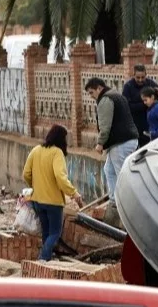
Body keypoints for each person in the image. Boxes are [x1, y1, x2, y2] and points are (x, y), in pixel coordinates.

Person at [22, 125, 83, 261]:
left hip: (37, 200)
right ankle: (43, 258)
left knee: (46, 231)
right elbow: (60, 177)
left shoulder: (36, 150)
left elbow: (26, 173)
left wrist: (34, 185)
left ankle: (46, 258)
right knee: (55, 233)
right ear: (62, 139)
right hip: (53, 202)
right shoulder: (57, 153)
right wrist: (74, 193)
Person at [85, 77, 139, 198]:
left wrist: (100, 143)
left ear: (99, 88)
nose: (90, 96)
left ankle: (127, 201)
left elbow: (105, 125)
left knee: (121, 174)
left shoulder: (105, 99)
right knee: (109, 170)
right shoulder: (115, 95)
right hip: (128, 139)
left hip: (121, 142)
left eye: (91, 92)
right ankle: (114, 199)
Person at [122, 64, 158, 144]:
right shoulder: (128, 87)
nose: (140, 80)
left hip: (150, 124)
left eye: (143, 77)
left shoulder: (151, 84)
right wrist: (145, 105)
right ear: (133, 75)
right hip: (134, 125)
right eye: (138, 77)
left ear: (146, 75)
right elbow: (126, 107)